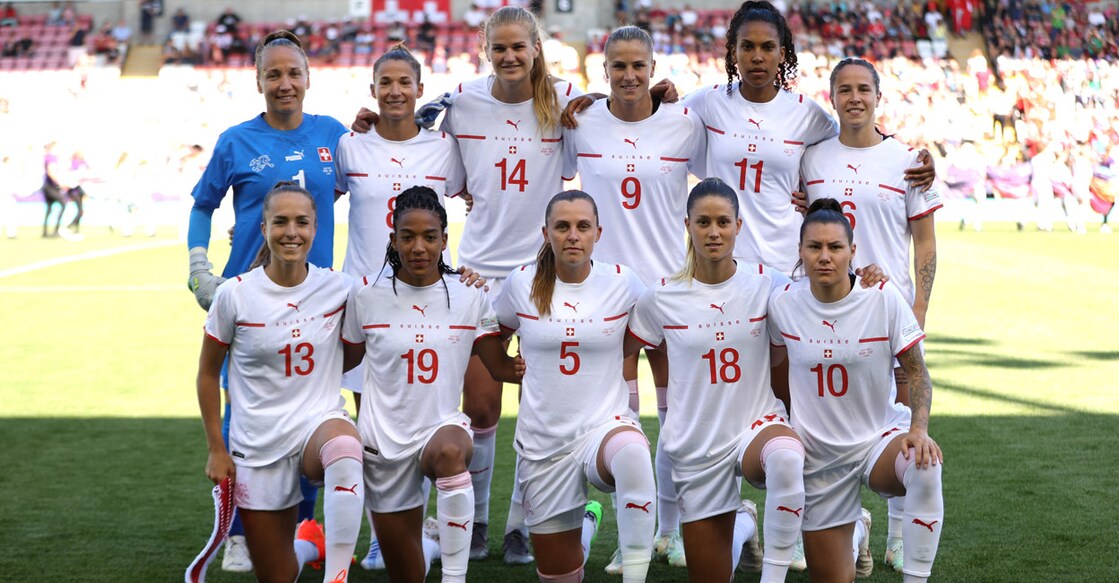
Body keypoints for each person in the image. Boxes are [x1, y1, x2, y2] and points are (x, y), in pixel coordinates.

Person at [186, 30, 349, 573]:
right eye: (273, 74)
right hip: (251, 300)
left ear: (308, 78)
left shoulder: (334, 135)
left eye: (293, 73)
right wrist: (198, 265)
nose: (284, 83)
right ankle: (238, 528)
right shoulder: (236, 141)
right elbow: (203, 205)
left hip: (317, 300)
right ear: (258, 81)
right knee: (246, 415)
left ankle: (305, 524)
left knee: (315, 413)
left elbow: (371, 185)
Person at [437, 6, 583, 564]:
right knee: (480, 409)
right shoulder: (462, 103)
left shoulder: (564, 99)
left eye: (520, 47)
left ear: (536, 48)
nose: (510, 56)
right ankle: (473, 521)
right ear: (486, 50)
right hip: (477, 272)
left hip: (543, 275)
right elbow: (445, 174)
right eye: (499, 48)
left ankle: (522, 523)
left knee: (541, 411)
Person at [561, 25, 704, 572]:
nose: (628, 76)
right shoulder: (583, 122)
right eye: (617, 67)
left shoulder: (684, 124)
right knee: (622, 423)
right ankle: (634, 534)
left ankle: (673, 528)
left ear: (652, 66)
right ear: (603, 72)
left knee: (678, 419)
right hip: (607, 296)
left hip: (670, 292)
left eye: (637, 65)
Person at [800, 58, 941, 573]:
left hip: (888, 312)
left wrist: (917, 306)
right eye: (844, 89)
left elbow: (924, 242)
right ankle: (851, 522)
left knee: (903, 421)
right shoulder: (811, 159)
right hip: (828, 313)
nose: (854, 97)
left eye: (863, 89)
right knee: (833, 418)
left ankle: (901, 535)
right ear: (832, 96)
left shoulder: (907, 159)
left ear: (878, 97)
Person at [342, 186, 522, 583]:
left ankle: (455, 577)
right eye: (407, 236)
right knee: (407, 573)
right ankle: (428, 542)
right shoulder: (365, 294)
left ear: (444, 239)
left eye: (429, 237)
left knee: (452, 451)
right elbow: (343, 361)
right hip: (382, 445)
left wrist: (544, 352)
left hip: (440, 429)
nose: (418, 247)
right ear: (393, 240)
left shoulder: (470, 294)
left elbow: (498, 367)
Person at [627, 178, 802, 582]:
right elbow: (621, 349)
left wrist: (865, 276)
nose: (714, 231)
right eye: (703, 222)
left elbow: (824, 297)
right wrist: (625, 411)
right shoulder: (662, 297)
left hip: (756, 425)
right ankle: (745, 525)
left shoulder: (767, 283)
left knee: (788, 458)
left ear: (739, 225)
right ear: (687, 224)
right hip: (697, 443)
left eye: (723, 221)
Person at [768, 199, 944, 583]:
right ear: (800, 251)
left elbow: (917, 371)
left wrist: (919, 428)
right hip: (819, 459)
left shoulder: (882, 296)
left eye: (835, 247)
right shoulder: (781, 302)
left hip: (877, 442)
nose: (825, 256)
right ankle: (857, 531)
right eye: (814, 247)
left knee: (924, 465)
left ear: (853, 251)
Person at [197, 182, 364, 583]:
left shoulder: (340, 288)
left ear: (316, 227)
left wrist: (464, 278)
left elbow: (358, 348)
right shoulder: (234, 296)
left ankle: (336, 576)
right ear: (263, 227)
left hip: (316, 427)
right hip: (257, 444)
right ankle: (310, 544)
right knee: (277, 574)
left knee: (344, 447)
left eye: (302, 222)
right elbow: (206, 373)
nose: (292, 232)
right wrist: (217, 450)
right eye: (281, 222)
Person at [494, 190, 656, 583]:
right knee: (562, 573)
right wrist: (505, 368)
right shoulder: (520, 283)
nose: (572, 235)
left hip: (603, 428)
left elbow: (652, 332)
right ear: (545, 233)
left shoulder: (623, 283)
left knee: (634, 454)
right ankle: (586, 525)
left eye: (582, 226)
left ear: (598, 232)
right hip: (544, 444)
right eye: (562, 226)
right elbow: (488, 333)